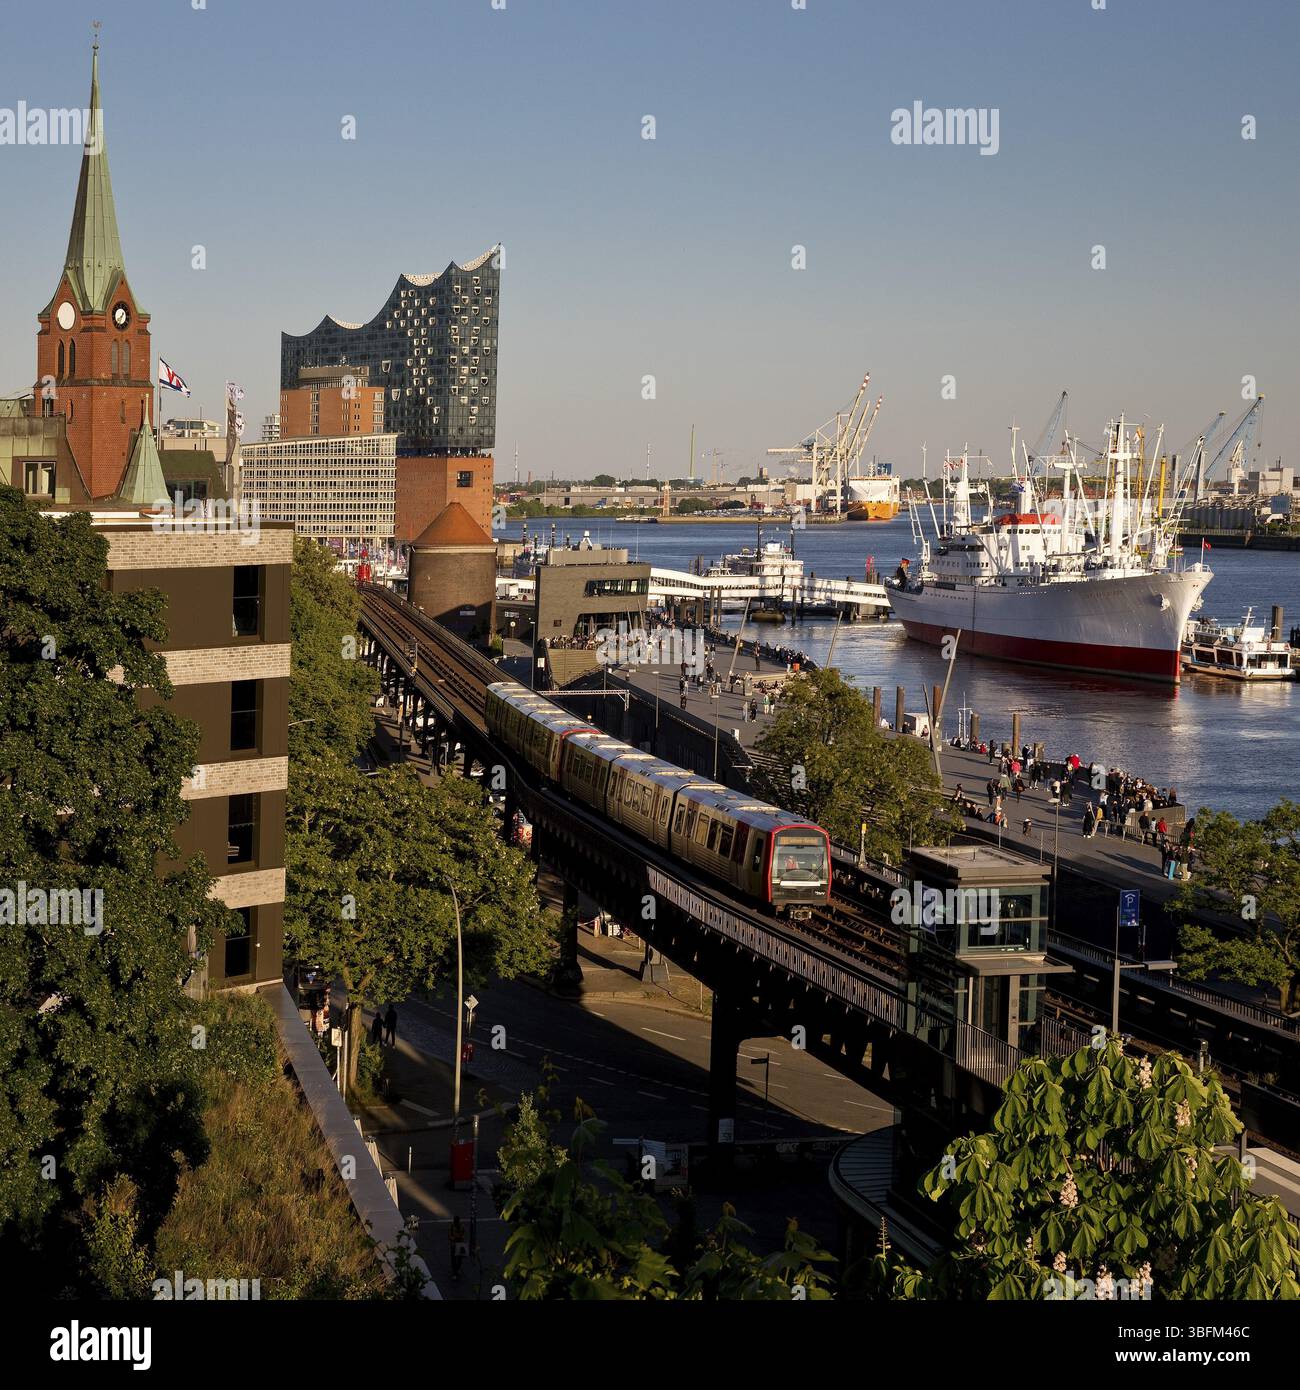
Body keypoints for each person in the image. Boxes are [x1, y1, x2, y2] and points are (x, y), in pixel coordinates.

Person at [449, 1217, 467, 1281]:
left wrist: (458, 1237)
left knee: (459, 1259)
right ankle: (455, 1272)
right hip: (455, 1244)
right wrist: (453, 1238)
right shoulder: (452, 1226)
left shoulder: (461, 1226)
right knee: (454, 1259)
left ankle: (457, 1270)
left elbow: (463, 1234)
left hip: (459, 1244)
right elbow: (450, 1235)